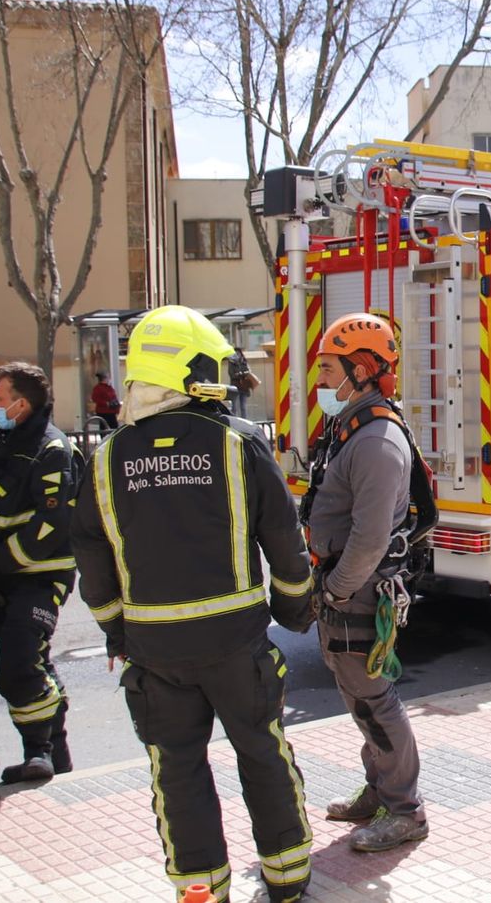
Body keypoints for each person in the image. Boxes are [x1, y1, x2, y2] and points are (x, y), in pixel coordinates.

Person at [73, 305, 315, 903]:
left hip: (153, 649)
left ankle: (200, 887)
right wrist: (296, 611)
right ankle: (287, 878)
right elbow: (283, 540)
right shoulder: (239, 444)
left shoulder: (106, 458)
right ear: (194, 368)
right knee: (262, 750)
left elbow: (92, 561)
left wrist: (116, 632)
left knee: (176, 768)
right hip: (235, 643)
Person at [307, 312, 429, 852]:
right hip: (342, 584)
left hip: (357, 589)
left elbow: (371, 534)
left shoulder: (378, 440)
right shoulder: (350, 427)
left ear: (360, 369)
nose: (320, 382)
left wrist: (335, 590)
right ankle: (379, 792)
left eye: (328, 369)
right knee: (359, 695)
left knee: (374, 699)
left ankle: (406, 810)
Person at [0, 362, 82, 784]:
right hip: (8, 576)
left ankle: (39, 753)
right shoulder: (7, 444)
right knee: (36, 662)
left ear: (21, 404)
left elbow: (50, 528)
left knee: (17, 665)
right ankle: (56, 756)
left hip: (42, 577)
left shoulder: (53, 450)